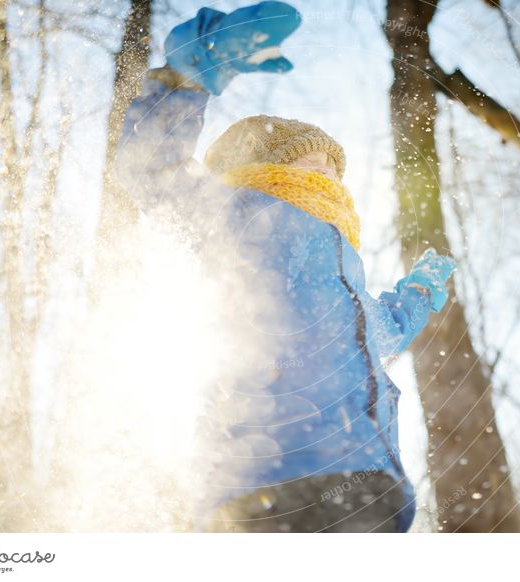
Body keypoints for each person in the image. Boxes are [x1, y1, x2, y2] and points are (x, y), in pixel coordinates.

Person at [114, 1, 456, 532]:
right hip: (267, 480)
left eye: (334, 169)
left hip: (370, 482)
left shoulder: (343, 262)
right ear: (266, 165)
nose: (329, 176)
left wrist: (416, 293)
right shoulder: (239, 213)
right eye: (312, 161)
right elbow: (152, 170)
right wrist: (187, 77)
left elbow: (379, 332)